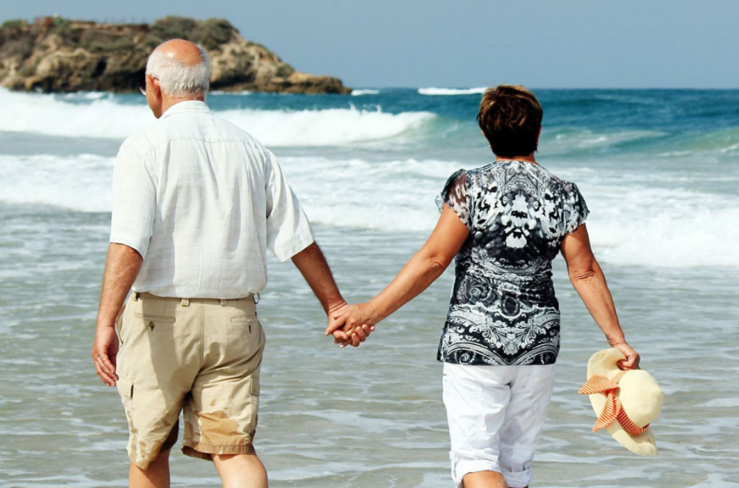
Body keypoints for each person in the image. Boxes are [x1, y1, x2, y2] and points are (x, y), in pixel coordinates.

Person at [327, 85, 640, 488]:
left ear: (485, 133)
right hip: (537, 346)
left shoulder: (468, 186)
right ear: (539, 132)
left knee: (476, 463)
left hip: (475, 340)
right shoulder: (564, 194)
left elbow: (434, 259)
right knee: (514, 467)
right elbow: (585, 272)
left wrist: (369, 312)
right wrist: (618, 340)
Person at [90, 39, 367, 488]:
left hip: (160, 323)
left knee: (150, 451)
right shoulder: (251, 148)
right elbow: (297, 237)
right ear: (204, 87)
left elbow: (130, 242)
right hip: (235, 320)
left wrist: (105, 321)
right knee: (233, 450)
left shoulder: (143, 147)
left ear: (154, 86)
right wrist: (335, 305)